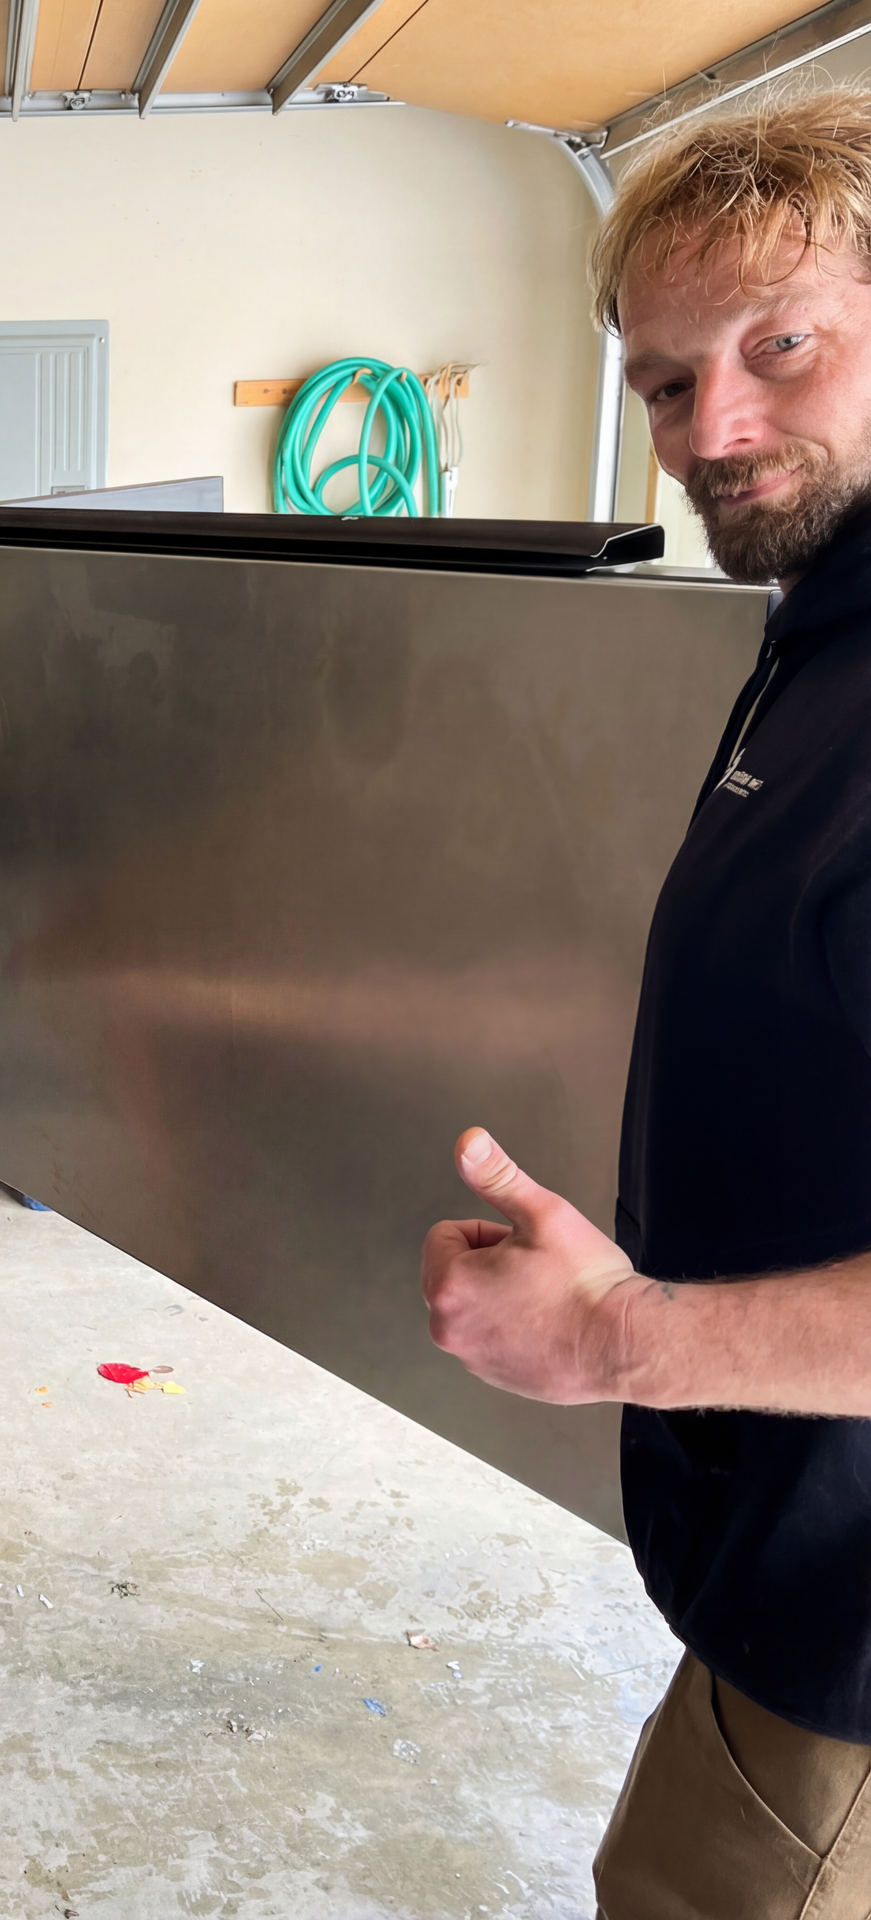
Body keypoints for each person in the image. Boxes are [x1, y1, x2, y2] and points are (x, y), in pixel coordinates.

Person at [420, 90, 871, 1915]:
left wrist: (622, 1342)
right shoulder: (818, 633)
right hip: (783, 1572)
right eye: (670, 387)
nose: (719, 431)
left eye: (783, 347)